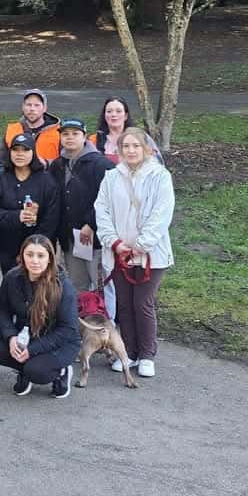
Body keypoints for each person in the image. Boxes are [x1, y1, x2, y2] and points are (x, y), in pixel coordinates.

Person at [94, 127, 174, 379]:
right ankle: (128, 352)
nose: (130, 151)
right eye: (125, 146)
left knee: (143, 302)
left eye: (135, 146)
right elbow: (102, 210)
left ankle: (147, 354)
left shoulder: (160, 176)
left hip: (151, 253)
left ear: (146, 149)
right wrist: (115, 243)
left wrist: (141, 244)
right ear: (119, 150)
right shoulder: (111, 177)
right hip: (119, 252)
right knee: (124, 304)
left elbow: (161, 214)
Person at [0, 235, 80, 398]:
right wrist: (10, 337)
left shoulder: (63, 285)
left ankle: (62, 372)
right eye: (29, 255)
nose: (34, 261)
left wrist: (32, 350)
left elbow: (68, 330)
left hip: (59, 342)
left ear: (50, 258)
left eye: (40, 255)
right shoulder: (12, 277)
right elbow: (1, 308)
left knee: (37, 371)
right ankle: (24, 370)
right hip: (27, 335)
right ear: (22, 255)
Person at [48, 117, 115, 317]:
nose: (70, 138)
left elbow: (110, 199)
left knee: (102, 285)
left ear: (84, 137)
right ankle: (86, 327)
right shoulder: (57, 165)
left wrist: (91, 223)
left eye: (75, 134)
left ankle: (107, 328)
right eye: (65, 134)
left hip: (93, 238)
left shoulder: (100, 164)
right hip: (69, 237)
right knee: (78, 285)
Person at [0, 133, 60, 274]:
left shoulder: (47, 181)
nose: (20, 154)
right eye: (15, 150)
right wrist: (17, 216)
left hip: (40, 249)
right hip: (8, 247)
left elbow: (52, 217)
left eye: (25, 150)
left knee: (39, 289)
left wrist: (32, 249)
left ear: (33, 152)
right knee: (12, 287)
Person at [89, 96, 163, 165]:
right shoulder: (94, 140)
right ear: (104, 115)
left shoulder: (141, 137)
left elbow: (157, 165)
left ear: (125, 116)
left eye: (118, 111)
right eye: (109, 111)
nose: (113, 114)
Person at [0, 89, 60, 165]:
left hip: (48, 175)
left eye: (37, 105)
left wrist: (46, 163)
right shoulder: (11, 130)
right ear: (23, 107)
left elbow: (67, 162)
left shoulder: (59, 132)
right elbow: (2, 162)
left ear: (44, 108)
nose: (32, 109)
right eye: (28, 105)